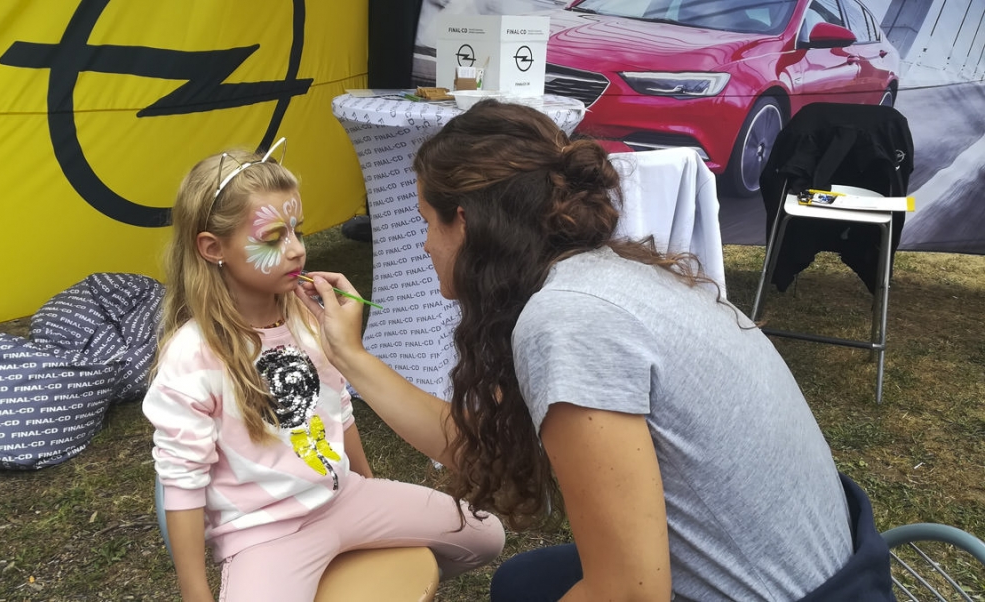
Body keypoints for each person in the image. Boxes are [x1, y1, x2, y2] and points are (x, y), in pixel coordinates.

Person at [295, 100, 897, 601]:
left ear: (467, 222)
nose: (426, 245)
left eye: (427, 221)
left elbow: (629, 593)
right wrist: (351, 356)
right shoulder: (599, 277)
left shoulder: (569, 321)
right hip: (832, 568)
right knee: (521, 583)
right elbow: (479, 446)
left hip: (808, 593)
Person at [142, 143, 505, 602]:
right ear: (213, 248)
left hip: (344, 498)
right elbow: (181, 480)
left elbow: (338, 407)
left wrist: (371, 488)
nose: (297, 250)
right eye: (273, 238)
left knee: (485, 536)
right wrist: (195, 592)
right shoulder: (193, 354)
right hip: (265, 534)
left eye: (297, 231)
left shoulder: (310, 318)